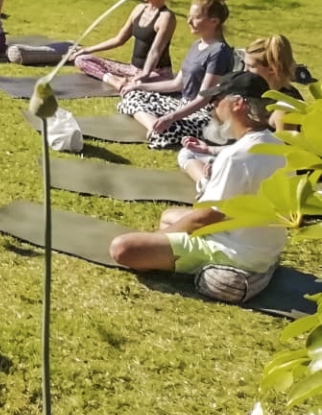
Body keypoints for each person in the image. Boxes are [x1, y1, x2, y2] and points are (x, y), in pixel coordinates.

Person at [110, 71, 286, 279]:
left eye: (217, 100)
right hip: (263, 246)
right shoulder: (278, 146)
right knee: (168, 217)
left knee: (123, 248)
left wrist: (158, 238)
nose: (213, 106)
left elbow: (207, 217)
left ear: (237, 104)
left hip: (236, 253)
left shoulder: (236, 156)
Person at [117, 0, 235, 150]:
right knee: (132, 96)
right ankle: (154, 126)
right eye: (189, 16)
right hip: (182, 105)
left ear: (214, 22)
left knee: (170, 129)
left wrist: (170, 118)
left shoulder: (219, 52)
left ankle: (159, 128)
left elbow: (204, 99)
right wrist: (139, 86)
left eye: (195, 18)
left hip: (205, 115)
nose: (189, 21)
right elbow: (177, 84)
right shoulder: (196, 45)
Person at [181, 37, 300, 175]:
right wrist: (209, 149)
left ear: (272, 69)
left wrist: (224, 165)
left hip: (274, 173)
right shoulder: (261, 94)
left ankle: (206, 184)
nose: (244, 70)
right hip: (255, 159)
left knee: (194, 157)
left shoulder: (284, 108)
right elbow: (253, 146)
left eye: (250, 66)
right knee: (189, 152)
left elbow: (281, 159)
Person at [70, 0, 178, 89]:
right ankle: (116, 82)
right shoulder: (139, 9)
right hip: (132, 69)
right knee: (82, 60)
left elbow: (155, 51)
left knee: (138, 84)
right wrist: (87, 50)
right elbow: (119, 39)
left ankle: (129, 82)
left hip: (157, 73)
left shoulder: (166, 17)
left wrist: (145, 74)